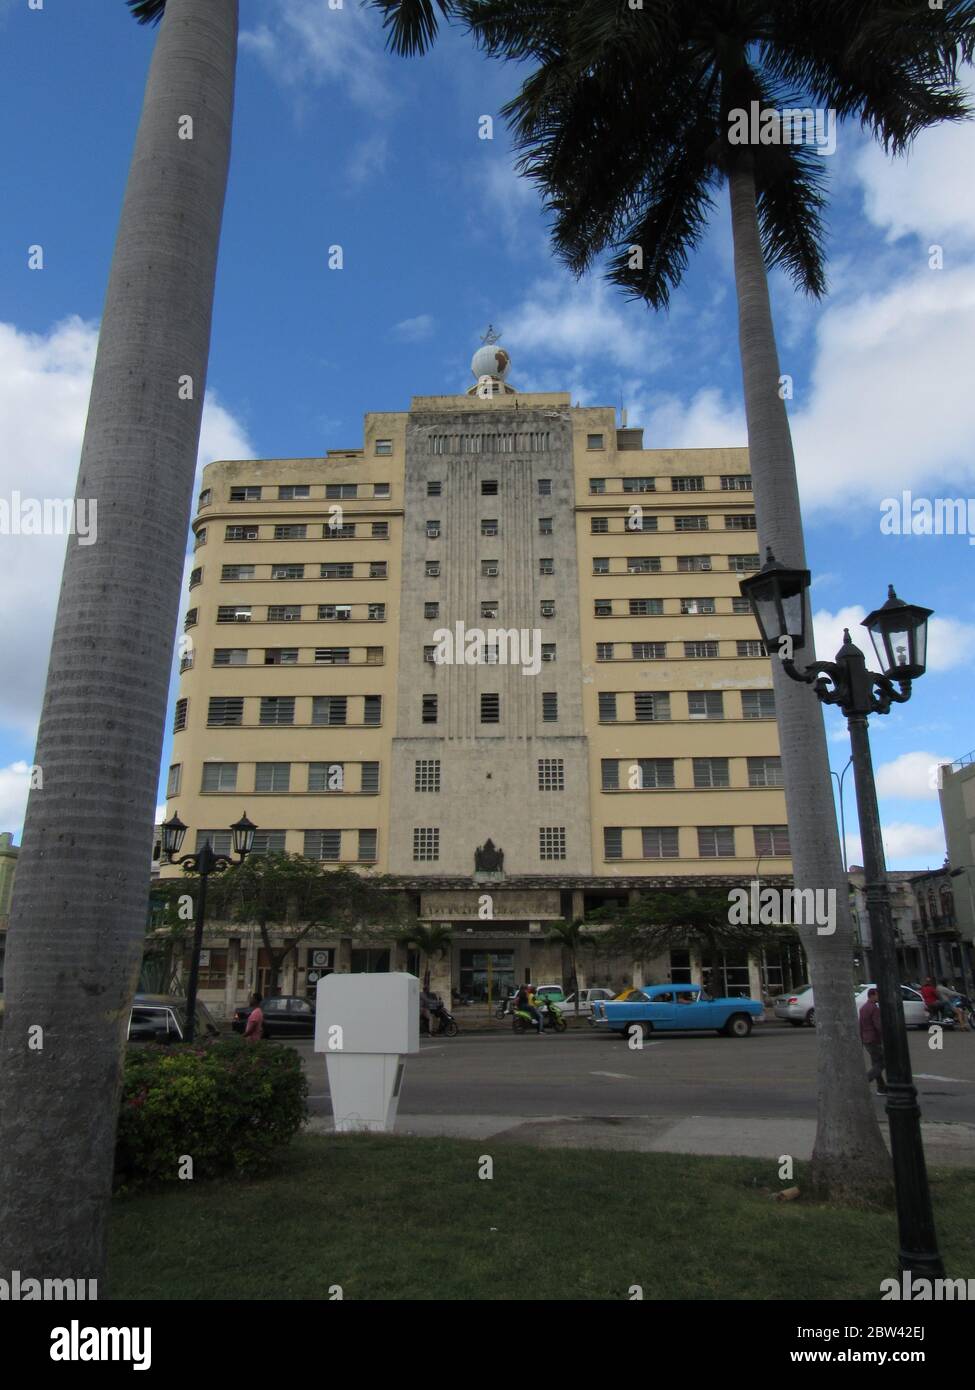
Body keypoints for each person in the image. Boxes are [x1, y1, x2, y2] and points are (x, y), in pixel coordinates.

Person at [858, 987, 886, 1094]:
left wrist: (861, 1039)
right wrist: (884, 1038)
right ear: (872, 995)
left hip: (866, 1040)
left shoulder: (863, 1008)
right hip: (874, 1039)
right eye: (877, 995)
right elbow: (878, 1025)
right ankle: (865, 1081)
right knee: (882, 1062)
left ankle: (881, 1087)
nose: (878, 997)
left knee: (876, 1063)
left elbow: (860, 1025)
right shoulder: (874, 1008)